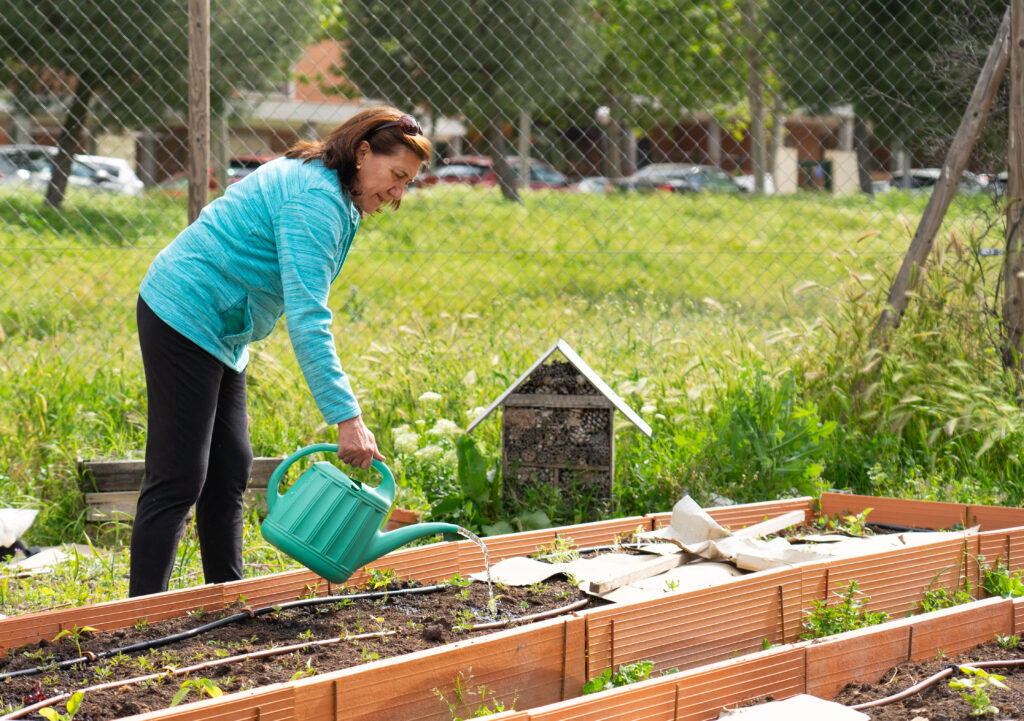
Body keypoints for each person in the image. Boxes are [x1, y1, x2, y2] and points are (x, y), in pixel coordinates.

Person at [129, 107, 432, 597]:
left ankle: (224, 598)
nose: (399, 194)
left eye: (407, 184)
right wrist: (346, 416)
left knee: (230, 467)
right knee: (180, 473)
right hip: (184, 310)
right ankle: (139, 616)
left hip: (223, 327)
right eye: (396, 177)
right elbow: (308, 319)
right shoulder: (315, 200)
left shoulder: (333, 191)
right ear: (361, 153)